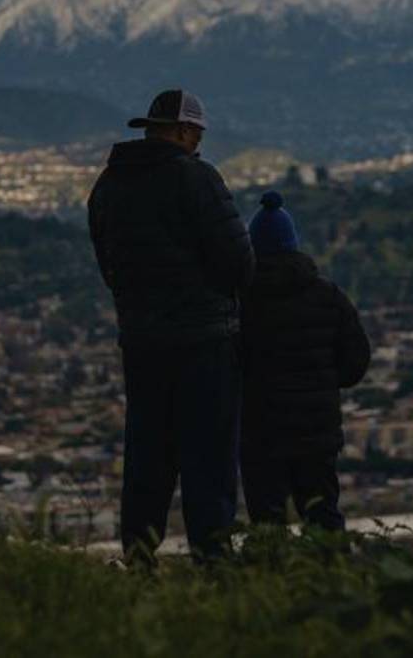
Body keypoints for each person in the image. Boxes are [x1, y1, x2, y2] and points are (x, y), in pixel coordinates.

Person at [87, 89, 255, 564]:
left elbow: (108, 263)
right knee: (209, 457)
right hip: (204, 341)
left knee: (147, 453)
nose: (198, 144)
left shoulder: (107, 186)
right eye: (196, 135)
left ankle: (139, 556)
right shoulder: (196, 179)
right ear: (183, 131)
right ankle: (214, 561)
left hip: (141, 342)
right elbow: (238, 261)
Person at [239, 190, 370, 531]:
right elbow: (356, 361)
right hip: (317, 432)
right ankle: (331, 580)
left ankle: (275, 581)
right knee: (323, 515)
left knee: (267, 524)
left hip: (260, 431)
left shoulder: (240, 301)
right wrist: (323, 381)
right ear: (293, 242)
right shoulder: (327, 296)